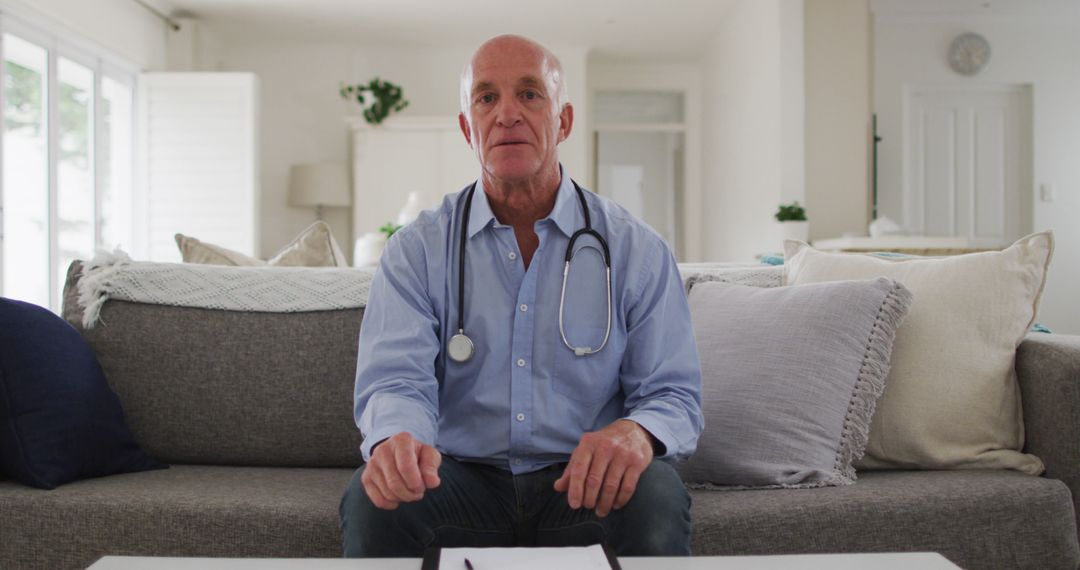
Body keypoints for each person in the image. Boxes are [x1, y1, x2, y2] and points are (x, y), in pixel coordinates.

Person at [339, 34, 703, 557]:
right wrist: (399, 440)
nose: (507, 113)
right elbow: (396, 381)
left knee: (655, 496)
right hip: (459, 479)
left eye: (530, 94)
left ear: (564, 121)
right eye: (486, 98)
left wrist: (636, 433)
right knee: (378, 500)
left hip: (581, 482)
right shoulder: (417, 250)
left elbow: (674, 394)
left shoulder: (636, 249)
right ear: (468, 128)